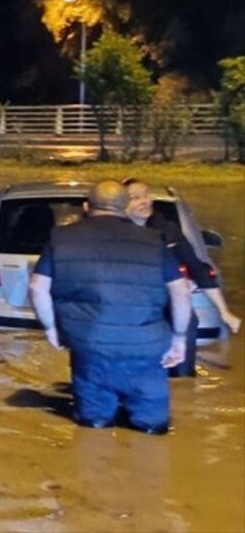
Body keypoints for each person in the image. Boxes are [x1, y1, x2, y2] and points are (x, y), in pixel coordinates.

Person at [29, 181, 190, 434]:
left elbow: (37, 287)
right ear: (126, 206)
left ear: (86, 206)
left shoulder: (61, 238)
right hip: (146, 349)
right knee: (153, 430)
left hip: (90, 347)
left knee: (93, 429)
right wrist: (179, 338)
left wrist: (51, 328)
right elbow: (180, 291)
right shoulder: (153, 240)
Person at [123, 178, 241, 377]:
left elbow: (198, 270)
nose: (145, 201)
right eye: (136, 198)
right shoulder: (111, 234)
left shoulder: (168, 230)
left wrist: (224, 312)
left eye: (146, 195)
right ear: (120, 205)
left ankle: (182, 381)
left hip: (166, 304)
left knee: (187, 322)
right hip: (126, 308)